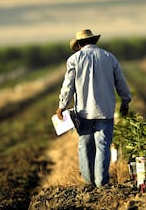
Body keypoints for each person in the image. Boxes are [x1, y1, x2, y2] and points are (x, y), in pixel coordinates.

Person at [56, 29, 132, 187]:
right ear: (93, 41)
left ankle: (88, 182)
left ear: (79, 44)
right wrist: (125, 100)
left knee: (84, 145)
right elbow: (120, 81)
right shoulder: (109, 57)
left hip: (83, 112)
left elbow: (68, 85)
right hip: (105, 111)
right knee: (103, 145)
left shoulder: (74, 59)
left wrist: (62, 105)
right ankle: (101, 183)